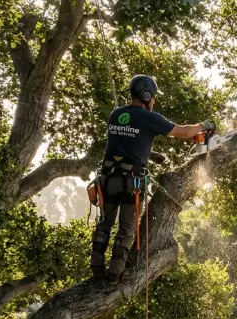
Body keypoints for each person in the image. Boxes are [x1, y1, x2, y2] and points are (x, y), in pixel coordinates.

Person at [90, 74, 214, 282]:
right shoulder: (150, 118)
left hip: (108, 179)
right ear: (146, 95)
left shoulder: (115, 114)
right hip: (130, 182)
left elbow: (126, 144)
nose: (154, 101)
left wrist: (153, 156)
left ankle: (96, 267)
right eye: (153, 97)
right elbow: (184, 132)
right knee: (126, 229)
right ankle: (114, 275)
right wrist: (205, 125)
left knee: (104, 225)